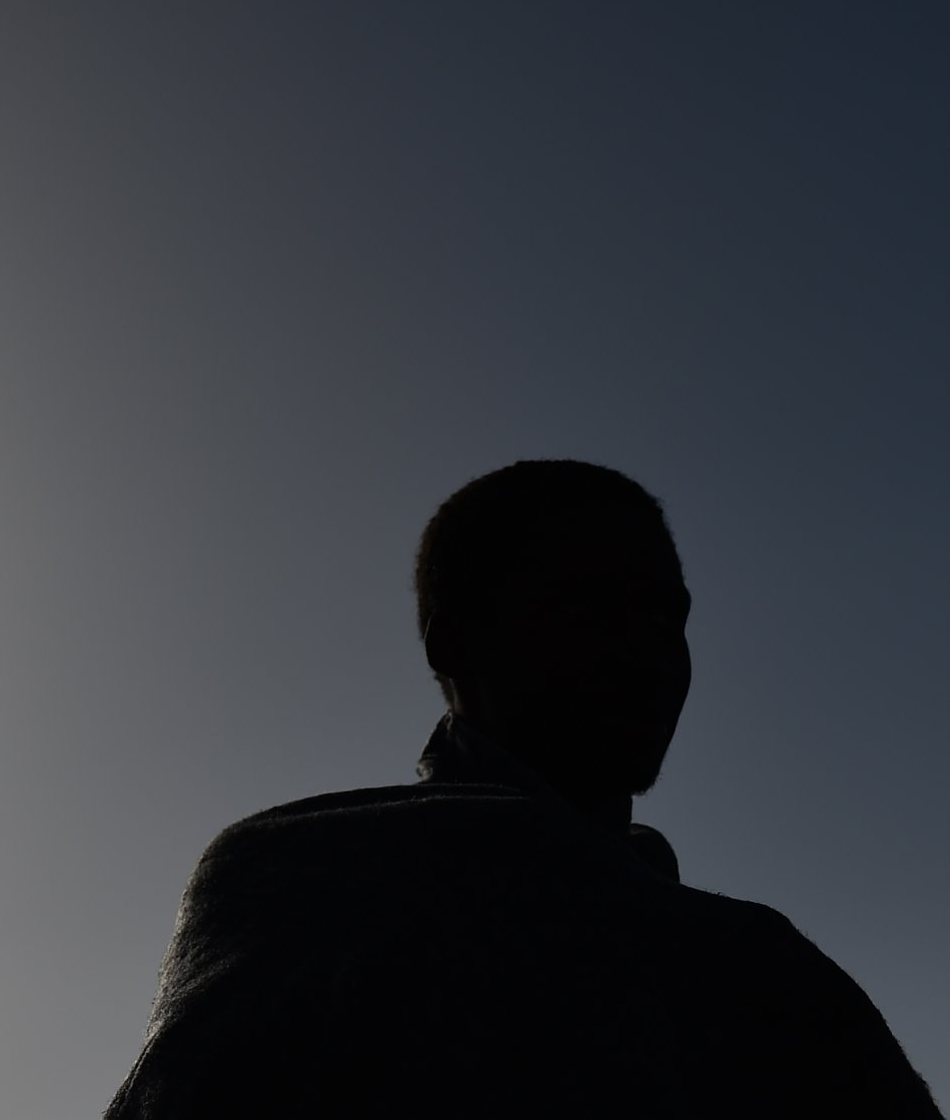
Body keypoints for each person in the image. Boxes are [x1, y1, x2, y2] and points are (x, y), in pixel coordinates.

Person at [102, 459, 939, 1118]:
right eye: (591, 607)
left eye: (667, 615)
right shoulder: (305, 875)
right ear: (455, 646)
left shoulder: (766, 970)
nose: (647, 651)